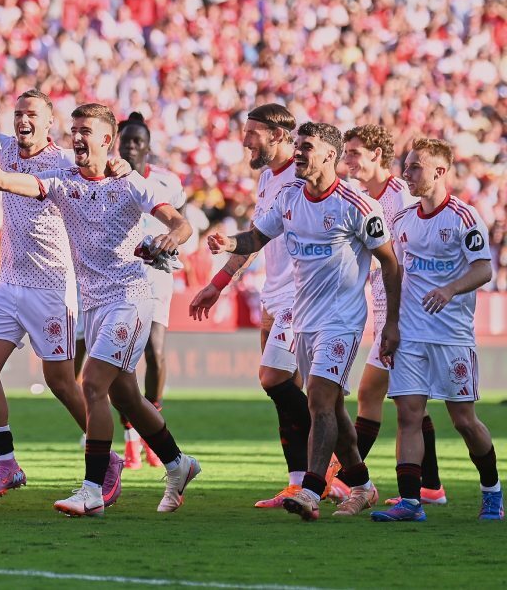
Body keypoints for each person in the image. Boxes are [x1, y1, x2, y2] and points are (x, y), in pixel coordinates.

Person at [0, 103, 200, 517]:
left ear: (107, 140)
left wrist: (169, 239)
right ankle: (179, 464)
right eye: (74, 130)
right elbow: (8, 181)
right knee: (127, 396)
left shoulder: (130, 182)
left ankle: (92, 489)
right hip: (94, 305)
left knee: (91, 383)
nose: (76, 137)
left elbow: (181, 224)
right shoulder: (63, 182)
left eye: (85, 131)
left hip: (131, 299)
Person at [209, 121, 401, 521]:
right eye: (296, 144)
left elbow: (390, 263)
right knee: (333, 408)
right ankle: (363, 486)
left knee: (318, 399)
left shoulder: (358, 206)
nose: (297, 152)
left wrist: (392, 324)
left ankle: (311, 489)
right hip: (304, 319)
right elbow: (256, 238)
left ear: (330, 155)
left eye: (306, 146)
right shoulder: (289, 197)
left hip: (341, 321)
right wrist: (229, 242)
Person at [0, 90, 112, 502]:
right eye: (18, 113)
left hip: (51, 286)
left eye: (32, 113)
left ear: (50, 122)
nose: (22, 120)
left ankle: (107, 459)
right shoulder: (2, 149)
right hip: (9, 282)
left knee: (61, 382)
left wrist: (116, 165)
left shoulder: (66, 162)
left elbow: (106, 172)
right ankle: (7, 464)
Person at [189, 104, 315, 508]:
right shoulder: (266, 178)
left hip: (301, 294)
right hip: (272, 294)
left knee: (273, 378)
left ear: (278, 135)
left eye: (253, 134)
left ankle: (339, 462)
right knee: (287, 394)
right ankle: (300, 483)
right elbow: (257, 238)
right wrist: (218, 283)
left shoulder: (304, 177)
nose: (245, 142)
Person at [371, 138, 502, 522]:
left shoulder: (464, 217)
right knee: (408, 416)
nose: (406, 173)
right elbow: (395, 275)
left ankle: (492, 491)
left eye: (415, 167)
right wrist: (390, 325)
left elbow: (484, 268)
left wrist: (450, 289)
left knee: (464, 420)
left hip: (451, 337)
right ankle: (411, 502)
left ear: (439, 171)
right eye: (407, 165)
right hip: (410, 334)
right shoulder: (402, 220)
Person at [342, 125, 447, 505]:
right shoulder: (362, 196)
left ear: (376, 155)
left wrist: (398, 320)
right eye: (346, 153)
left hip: (403, 312)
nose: (347, 160)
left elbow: (406, 259)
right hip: (386, 308)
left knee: (373, 392)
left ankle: (345, 480)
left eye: (354, 153)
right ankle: (431, 487)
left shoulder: (400, 196)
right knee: (410, 403)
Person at [116, 112, 186, 469]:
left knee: (155, 352)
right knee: (120, 359)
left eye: (137, 141)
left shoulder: (167, 181)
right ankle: (130, 436)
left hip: (156, 276)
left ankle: (151, 430)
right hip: (117, 277)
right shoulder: (108, 176)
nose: (130, 146)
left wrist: (170, 243)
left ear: (147, 147)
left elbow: (180, 221)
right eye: (126, 140)